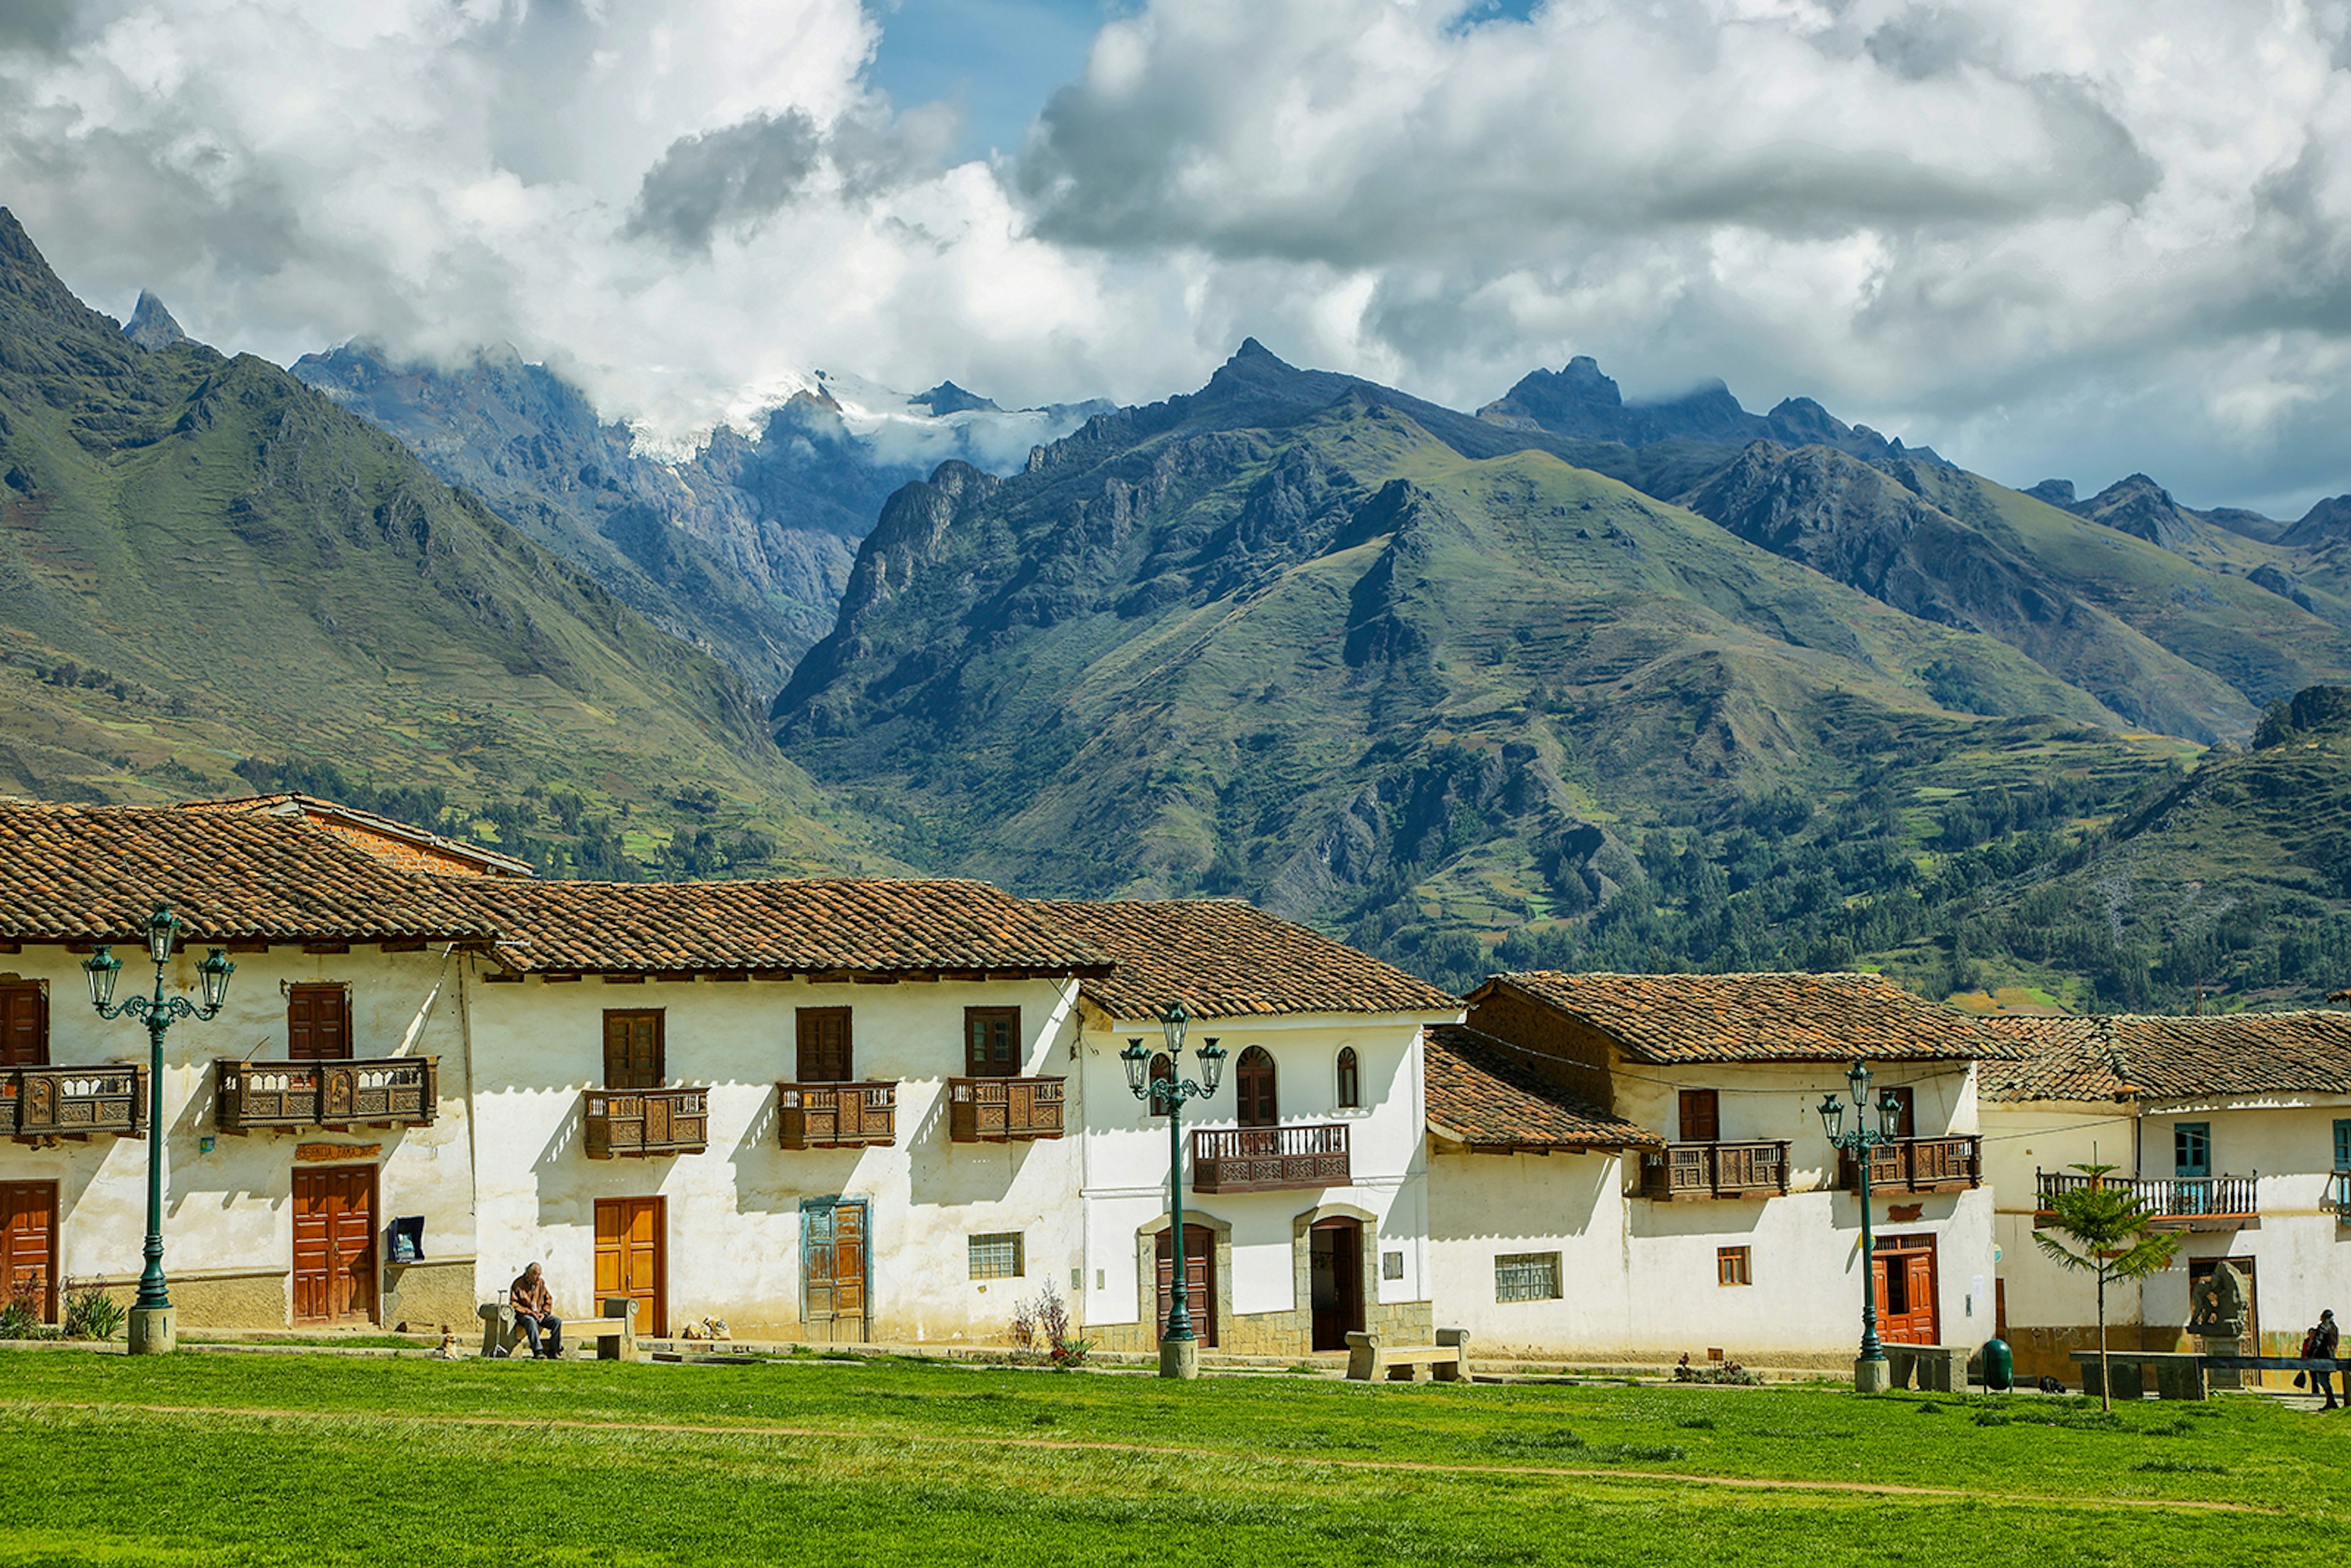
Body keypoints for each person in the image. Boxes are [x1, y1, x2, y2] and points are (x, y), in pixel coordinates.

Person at [508, 1262, 563, 1360]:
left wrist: (544, 1313)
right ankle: (538, 1351)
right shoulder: (518, 1284)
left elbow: (548, 1299)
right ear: (529, 1274)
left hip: (539, 1313)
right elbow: (514, 1304)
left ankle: (554, 1351)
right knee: (531, 1321)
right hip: (524, 1315)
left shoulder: (540, 1283)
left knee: (556, 1321)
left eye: (539, 1275)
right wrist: (529, 1312)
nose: (538, 1278)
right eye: (536, 1275)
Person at [2314, 1310, 2341, 1411]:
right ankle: (2330, 1402)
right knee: (2326, 1379)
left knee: (2322, 1380)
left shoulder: (2323, 1327)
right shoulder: (2335, 1328)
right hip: (2331, 1356)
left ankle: (2331, 1401)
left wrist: (2312, 1354)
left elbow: (2317, 1342)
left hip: (2322, 1357)